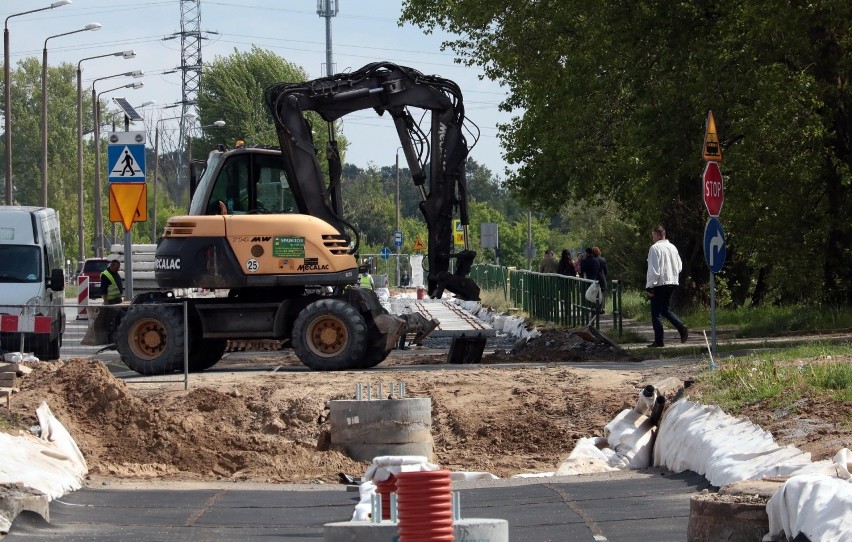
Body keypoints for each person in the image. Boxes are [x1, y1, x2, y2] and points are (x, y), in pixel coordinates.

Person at [645, 225, 689, 347]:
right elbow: (679, 266)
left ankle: (659, 341)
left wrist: (649, 287)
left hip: (659, 283)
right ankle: (681, 327)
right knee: (665, 309)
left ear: (658, 235)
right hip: (672, 281)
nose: (652, 238)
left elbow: (653, 270)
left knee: (656, 313)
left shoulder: (655, 248)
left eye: (653, 235)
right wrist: (672, 275)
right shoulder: (673, 247)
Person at [592, 246, 608, 312]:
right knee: (602, 292)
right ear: (599, 252)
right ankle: (602, 307)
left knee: (594, 293)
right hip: (602, 278)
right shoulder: (603, 259)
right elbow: (605, 271)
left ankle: (594, 307)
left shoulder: (592, 260)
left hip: (593, 278)